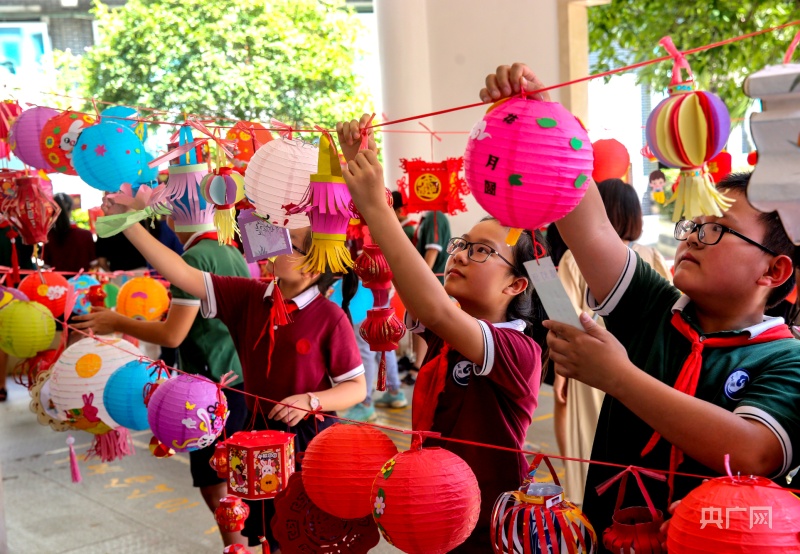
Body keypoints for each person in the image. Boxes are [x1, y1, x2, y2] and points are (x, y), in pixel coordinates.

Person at [481, 64, 800, 539]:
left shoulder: (785, 358)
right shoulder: (654, 305)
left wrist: (618, 377)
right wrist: (543, 118)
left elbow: (753, 450)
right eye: (693, 226)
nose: (691, 237)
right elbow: (587, 222)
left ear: (773, 271)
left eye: (714, 230)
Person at [100, 195, 366, 552]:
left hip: (309, 445)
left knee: (305, 534)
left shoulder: (329, 317)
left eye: (293, 243)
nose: (279, 242)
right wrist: (128, 222)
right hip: (255, 442)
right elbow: (181, 273)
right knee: (271, 532)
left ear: (311, 268)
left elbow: (356, 387)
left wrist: (312, 400)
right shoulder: (249, 297)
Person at [338, 115, 546, 552]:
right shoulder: (445, 331)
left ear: (516, 285)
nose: (463, 256)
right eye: (463, 245)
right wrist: (366, 172)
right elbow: (422, 295)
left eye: (483, 251)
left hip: (489, 523)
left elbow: (431, 305)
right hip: (431, 505)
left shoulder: (517, 349)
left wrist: (377, 206)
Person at [74, 186, 251, 547]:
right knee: (236, 483)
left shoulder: (196, 258)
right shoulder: (227, 250)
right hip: (237, 378)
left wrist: (116, 321)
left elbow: (172, 334)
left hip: (211, 387)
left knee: (217, 488)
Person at [554, 178, 672, 506]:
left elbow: (563, 312)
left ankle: (580, 499)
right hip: (644, 364)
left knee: (591, 438)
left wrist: (562, 368)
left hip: (589, 365)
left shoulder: (572, 260)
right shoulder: (650, 255)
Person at [403, 208, 451, 385]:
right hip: (429, 280)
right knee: (419, 325)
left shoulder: (435, 216)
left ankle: (420, 368)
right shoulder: (428, 218)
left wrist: (420, 280)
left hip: (432, 280)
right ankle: (420, 365)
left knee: (424, 326)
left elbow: (433, 250)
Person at [43, 193, 96, 273]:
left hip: (57, 284)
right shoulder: (86, 235)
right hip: (83, 284)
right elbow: (93, 263)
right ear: (71, 208)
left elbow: (47, 266)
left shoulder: (48, 236)